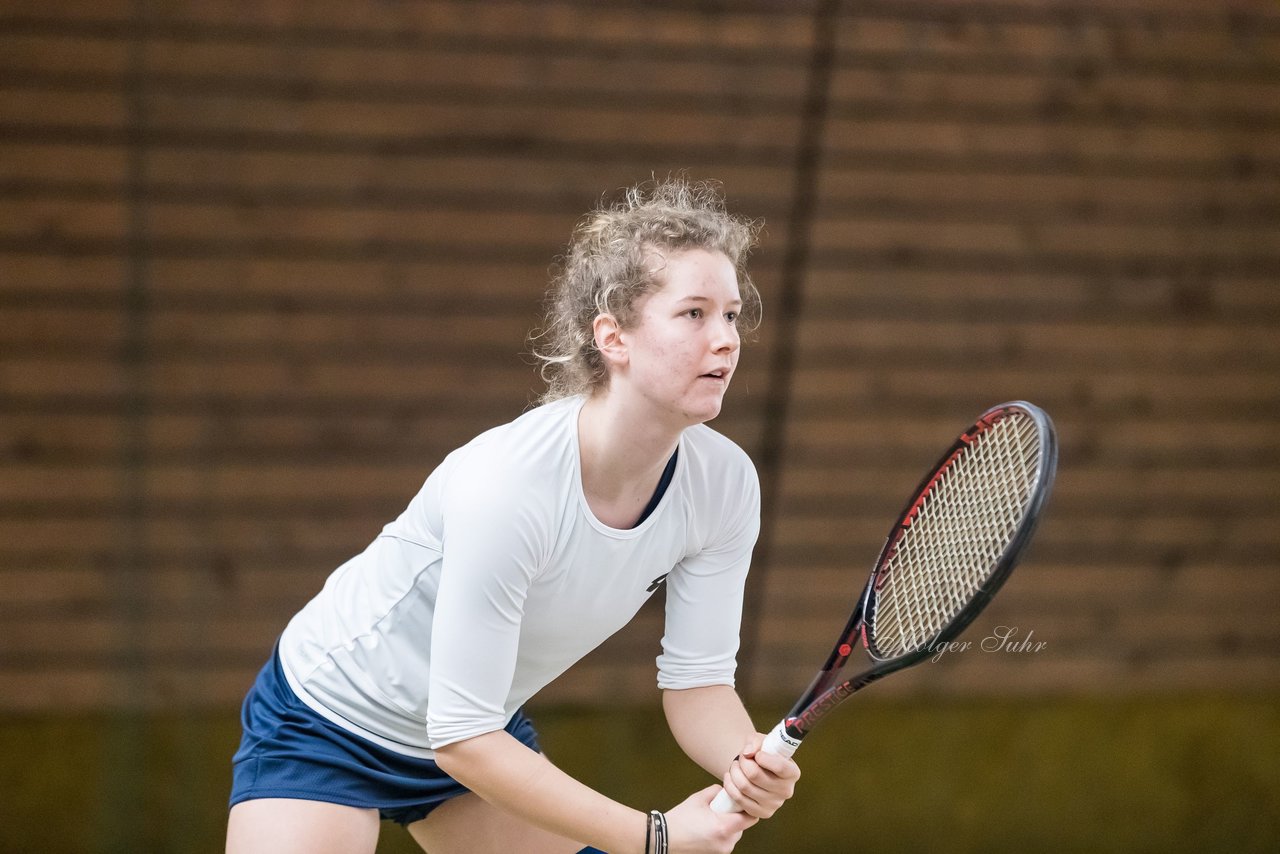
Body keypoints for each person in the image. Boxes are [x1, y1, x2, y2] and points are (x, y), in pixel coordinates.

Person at [225, 178, 800, 854]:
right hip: (330, 722)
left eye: (732, 315)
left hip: (475, 731)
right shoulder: (509, 486)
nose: (726, 340)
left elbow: (697, 683)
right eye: (694, 314)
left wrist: (744, 760)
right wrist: (656, 838)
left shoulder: (725, 484)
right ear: (613, 337)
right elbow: (463, 740)